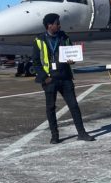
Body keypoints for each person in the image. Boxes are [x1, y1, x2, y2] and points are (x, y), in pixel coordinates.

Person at [32, 13, 96, 144]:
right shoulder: (39, 40)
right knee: (50, 108)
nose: (59, 25)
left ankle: (82, 133)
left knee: (74, 105)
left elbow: (71, 52)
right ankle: (54, 135)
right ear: (49, 26)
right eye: (57, 23)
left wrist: (72, 61)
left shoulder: (64, 37)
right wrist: (45, 77)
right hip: (50, 79)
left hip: (65, 77)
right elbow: (36, 62)